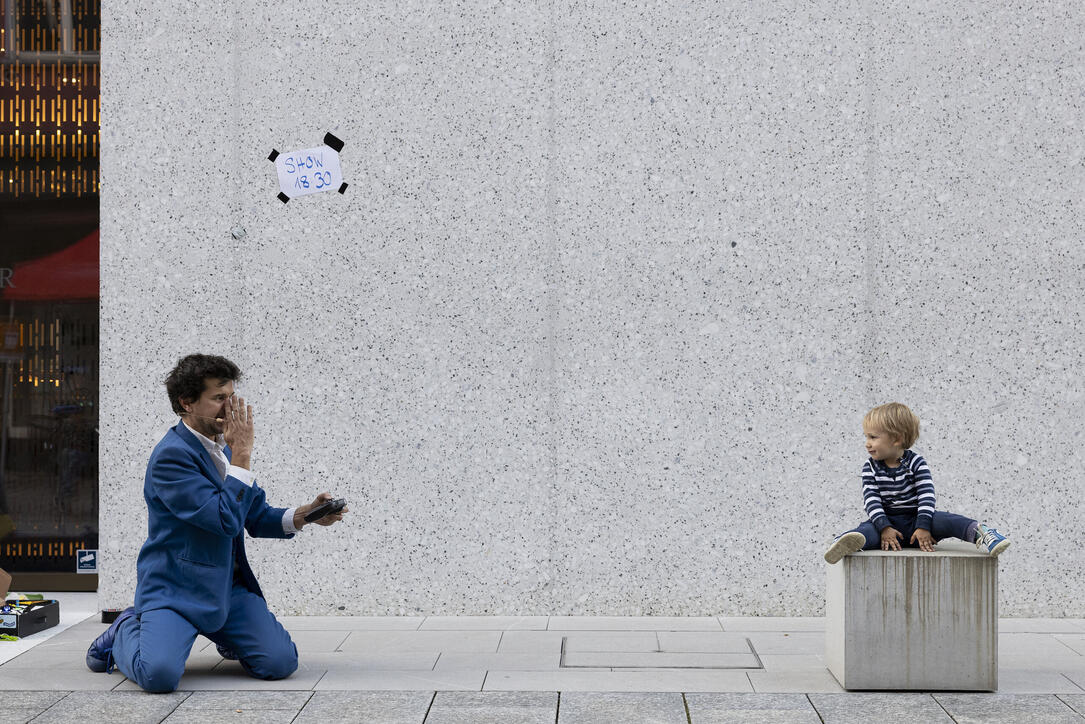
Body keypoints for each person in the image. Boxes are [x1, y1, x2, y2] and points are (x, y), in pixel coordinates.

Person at [85, 354, 347, 692]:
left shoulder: (222, 450)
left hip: (226, 589)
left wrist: (304, 515)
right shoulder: (171, 457)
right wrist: (242, 455)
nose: (230, 407)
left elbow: (252, 514)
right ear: (187, 403)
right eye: (219, 398)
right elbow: (224, 521)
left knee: (280, 663)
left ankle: (227, 635)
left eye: (232, 396)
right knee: (159, 676)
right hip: (175, 591)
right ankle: (125, 628)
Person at [824, 402, 1009, 564]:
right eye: (866, 437)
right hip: (887, 524)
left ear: (896, 439)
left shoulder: (916, 463)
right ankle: (844, 543)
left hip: (917, 520)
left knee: (948, 521)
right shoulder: (870, 467)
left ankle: (983, 534)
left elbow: (926, 496)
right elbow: (871, 500)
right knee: (866, 531)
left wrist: (923, 526)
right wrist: (884, 527)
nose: (867, 443)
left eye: (873, 437)